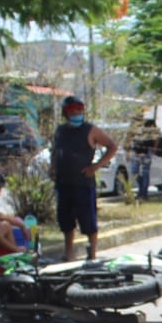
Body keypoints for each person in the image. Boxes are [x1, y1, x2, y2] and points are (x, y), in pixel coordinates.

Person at [49, 95, 116, 261]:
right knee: (66, 220)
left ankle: (92, 254)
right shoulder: (61, 131)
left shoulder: (91, 130)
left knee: (88, 220)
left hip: (83, 183)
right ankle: (69, 253)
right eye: (73, 111)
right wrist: (52, 167)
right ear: (66, 113)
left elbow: (112, 147)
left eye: (79, 109)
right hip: (64, 182)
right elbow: (55, 151)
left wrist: (96, 166)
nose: (77, 113)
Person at [128, 117, 162, 200]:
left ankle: (143, 193)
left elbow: (157, 138)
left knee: (145, 173)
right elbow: (131, 138)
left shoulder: (150, 126)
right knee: (134, 172)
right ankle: (141, 189)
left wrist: (154, 148)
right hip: (136, 152)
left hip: (146, 153)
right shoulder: (135, 128)